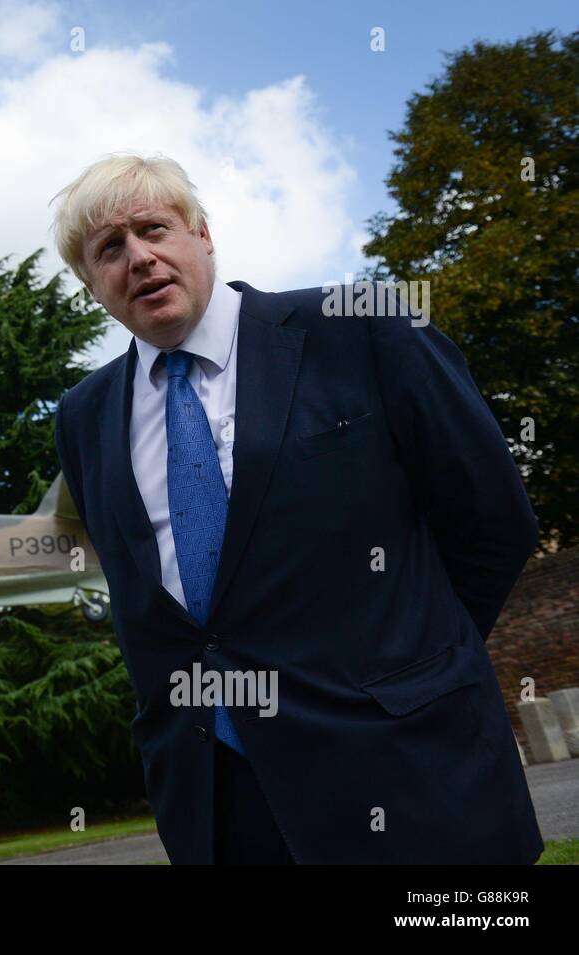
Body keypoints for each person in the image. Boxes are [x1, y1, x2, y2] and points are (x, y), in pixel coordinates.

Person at [49, 153, 544, 864]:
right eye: (109, 250)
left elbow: (493, 516)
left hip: (407, 775)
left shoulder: (356, 326)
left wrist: (415, 671)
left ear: (204, 235)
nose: (140, 257)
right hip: (220, 806)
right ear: (92, 284)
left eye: (154, 228)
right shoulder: (83, 416)